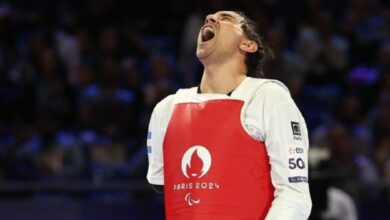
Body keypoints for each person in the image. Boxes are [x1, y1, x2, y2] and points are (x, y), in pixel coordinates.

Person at [146, 10, 312, 219]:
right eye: (210, 17)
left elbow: (295, 195)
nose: (210, 18)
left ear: (248, 45)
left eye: (226, 18)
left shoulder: (268, 98)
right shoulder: (166, 110)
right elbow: (161, 185)